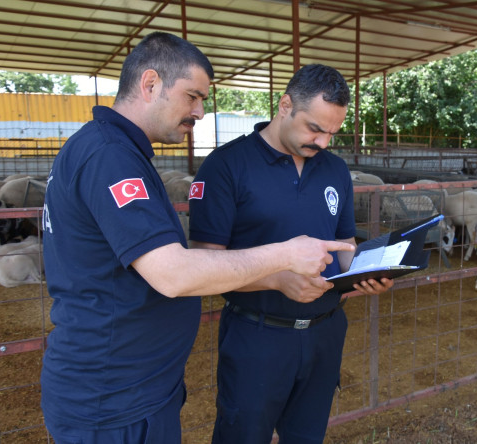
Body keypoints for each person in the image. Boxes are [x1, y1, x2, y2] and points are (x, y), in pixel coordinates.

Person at [40, 34, 353, 444]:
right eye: (192, 96)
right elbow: (173, 273)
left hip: (134, 386)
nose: (201, 111)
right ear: (150, 84)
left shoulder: (121, 153)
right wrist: (285, 257)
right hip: (112, 396)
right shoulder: (108, 156)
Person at [188, 63, 393, 443]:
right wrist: (278, 280)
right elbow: (200, 264)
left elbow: (344, 245)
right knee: (242, 435)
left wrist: (365, 270)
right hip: (258, 333)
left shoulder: (334, 169)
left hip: (325, 330)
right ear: (285, 105)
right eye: (315, 128)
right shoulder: (226, 166)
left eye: (332, 132)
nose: (323, 143)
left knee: (306, 435)